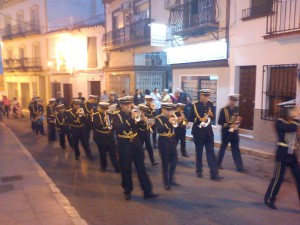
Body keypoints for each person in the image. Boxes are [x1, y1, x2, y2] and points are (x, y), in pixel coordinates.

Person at [113, 96, 158, 201]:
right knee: (126, 170)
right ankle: (127, 191)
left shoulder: (135, 114)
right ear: (121, 105)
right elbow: (119, 129)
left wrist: (144, 121)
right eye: (126, 104)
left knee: (141, 169)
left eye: (129, 104)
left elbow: (142, 129)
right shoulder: (116, 116)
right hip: (124, 145)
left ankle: (147, 191)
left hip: (136, 144)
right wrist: (132, 119)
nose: (128, 106)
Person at [264, 100, 300, 210]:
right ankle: (269, 199)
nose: (293, 112)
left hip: (292, 154)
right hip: (282, 154)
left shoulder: (293, 122)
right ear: (286, 110)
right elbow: (291, 128)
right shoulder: (279, 122)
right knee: (278, 178)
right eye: (291, 110)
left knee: (298, 177)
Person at [188, 89, 222, 181]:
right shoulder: (195, 105)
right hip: (198, 133)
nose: (207, 97)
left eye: (208, 96)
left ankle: (214, 173)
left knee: (211, 152)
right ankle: (199, 170)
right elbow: (190, 118)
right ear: (201, 96)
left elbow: (213, 118)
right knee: (199, 153)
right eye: (205, 96)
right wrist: (199, 120)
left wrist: (211, 115)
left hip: (208, 132)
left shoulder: (210, 104)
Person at [216, 94, 245, 172]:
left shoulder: (236, 109)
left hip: (234, 132)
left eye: (235, 101)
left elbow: (237, 120)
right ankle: (217, 163)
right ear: (230, 100)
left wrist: (238, 121)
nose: (234, 102)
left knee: (236, 149)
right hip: (226, 132)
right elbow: (219, 122)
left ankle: (240, 167)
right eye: (233, 100)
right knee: (223, 148)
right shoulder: (224, 110)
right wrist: (229, 125)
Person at [155, 103, 178, 190]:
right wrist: (169, 122)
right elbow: (160, 129)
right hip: (163, 141)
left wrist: (178, 121)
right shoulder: (158, 118)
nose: (169, 112)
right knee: (165, 163)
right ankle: (166, 182)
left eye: (170, 110)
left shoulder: (172, 116)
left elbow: (176, 126)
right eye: (167, 110)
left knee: (174, 161)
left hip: (172, 140)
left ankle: (171, 178)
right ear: (163, 109)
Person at [92, 102, 120, 172]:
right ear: (100, 108)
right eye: (103, 109)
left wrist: (111, 124)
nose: (105, 111)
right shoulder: (95, 115)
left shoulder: (111, 115)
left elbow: (114, 124)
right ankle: (103, 166)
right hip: (101, 136)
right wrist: (104, 122)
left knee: (113, 153)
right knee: (102, 153)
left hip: (110, 136)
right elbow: (95, 125)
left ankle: (117, 167)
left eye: (106, 109)